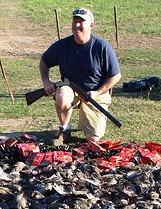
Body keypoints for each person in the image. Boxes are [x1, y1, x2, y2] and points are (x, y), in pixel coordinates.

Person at [39, 8, 121, 145]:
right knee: (62, 93)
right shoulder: (62, 45)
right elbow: (44, 62)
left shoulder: (102, 47)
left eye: (81, 22)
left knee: (93, 139)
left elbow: (116, 75)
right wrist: (46, 81)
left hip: (95, 94)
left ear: (91, 25)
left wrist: (97, 92)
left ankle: (89, 127)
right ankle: (64, 129)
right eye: (75, 21)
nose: (77, 25)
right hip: (71, 90)